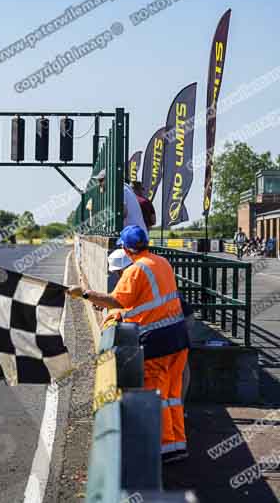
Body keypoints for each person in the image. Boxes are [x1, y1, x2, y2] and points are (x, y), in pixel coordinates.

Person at [66, 225, 190, 463]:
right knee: (173, 394)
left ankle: (165, 449)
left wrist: (84, 294)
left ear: (125, 248)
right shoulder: (162, 262)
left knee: (157, 395)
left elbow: (116, 300)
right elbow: (147, 301)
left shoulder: (134, 271)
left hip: (156, 342)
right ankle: (178, 444)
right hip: (179, 337)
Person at [92, 169, 147, 233]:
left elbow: (123, 213)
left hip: (134, 237)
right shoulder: (124, 187)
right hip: (136, 235)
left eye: (101, 180)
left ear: (110, 179)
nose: (99, 184)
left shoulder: (120, 189)